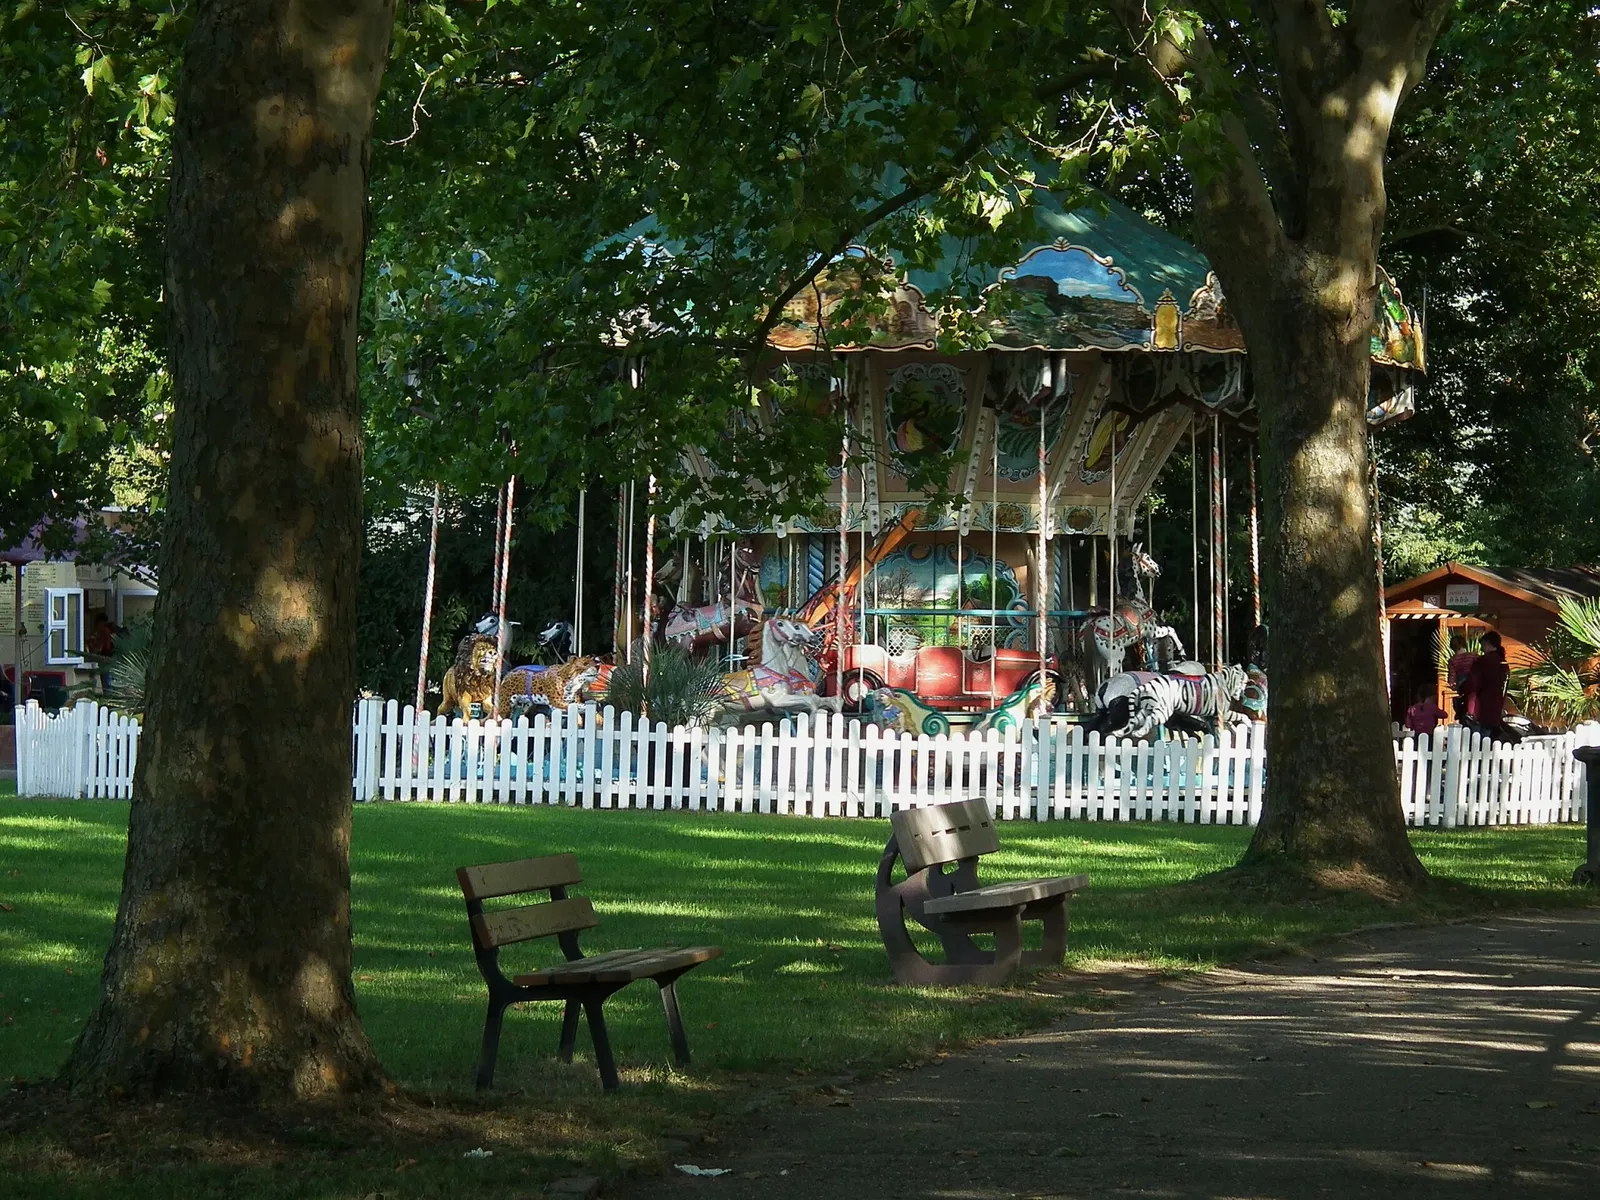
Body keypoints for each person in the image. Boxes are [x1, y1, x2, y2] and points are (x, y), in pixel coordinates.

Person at [1461, 630, 1518, 742]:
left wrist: (1463, 690)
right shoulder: (1503, 664)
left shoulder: (1483, 662)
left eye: (1482, 645)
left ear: (1488, 643)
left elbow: (1473, 684)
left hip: (1479, 708)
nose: (1481, 649)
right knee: (1487, 740)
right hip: (1495, 709)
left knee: (1474, 742)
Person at [1446, 634, 1477, 720]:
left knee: (1462, 698)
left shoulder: (1452, 660)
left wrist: (1452, 684)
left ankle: (1460, 712)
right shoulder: (1472, 656)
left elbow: (1452, 675)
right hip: (1472, 680)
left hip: (1460, 682)